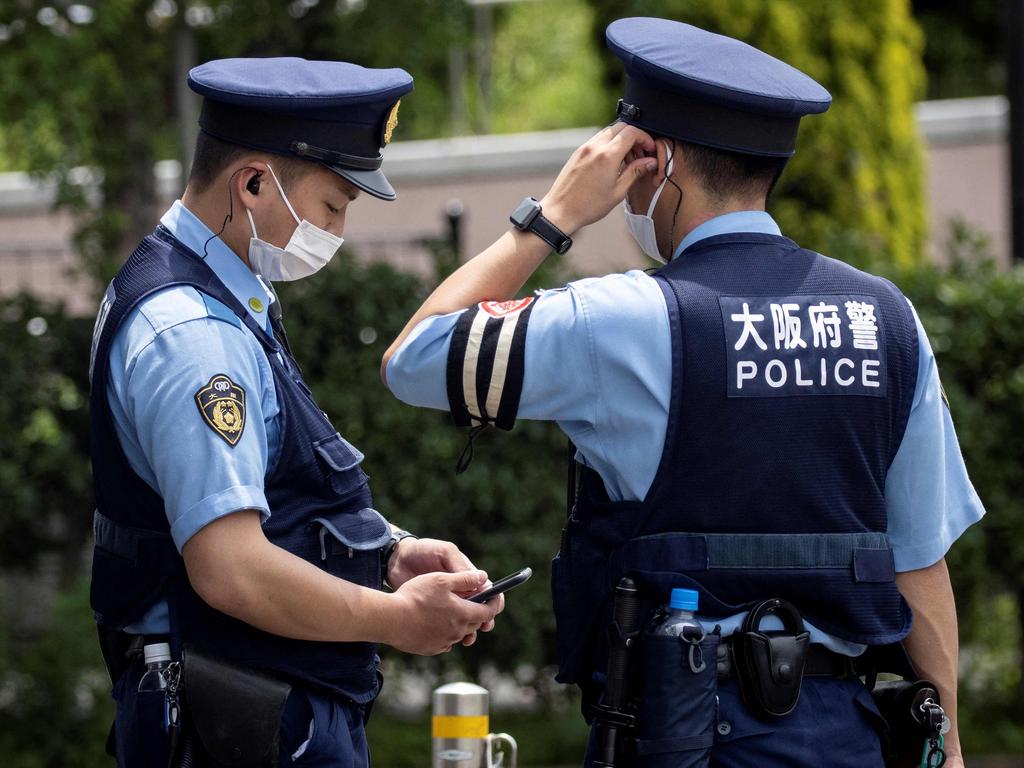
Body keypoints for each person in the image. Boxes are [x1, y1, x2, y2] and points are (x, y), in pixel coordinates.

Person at [381, 17, 983, 768]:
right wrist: (949, 747)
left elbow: (413, 358)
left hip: (683, 734)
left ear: (653, 163)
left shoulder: (623, 319)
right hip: (845, 736)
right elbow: (920, 561)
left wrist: (554, 216)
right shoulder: (886, 319)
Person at [88, 57, 501, 768]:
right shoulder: (197, 337)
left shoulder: (214, 297)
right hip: (243, 718)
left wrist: (388, 555)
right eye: (333, 205)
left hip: (255, 709)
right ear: (252, 183)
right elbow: (231, 568)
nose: (337, 230)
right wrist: (399, 620)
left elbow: (278, 503)